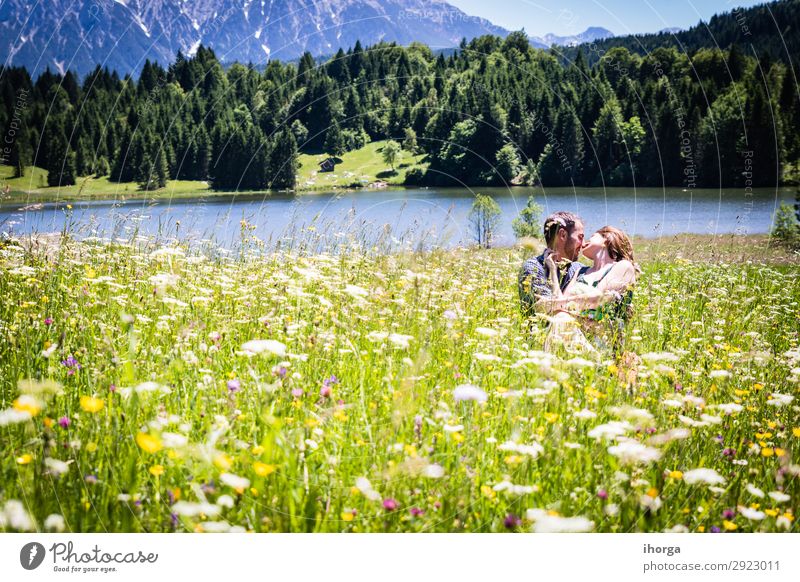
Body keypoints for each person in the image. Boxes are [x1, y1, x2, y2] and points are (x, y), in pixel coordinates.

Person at [537, 226, 639, 355]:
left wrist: (553, 304)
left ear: (606, 239)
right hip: (573, 332)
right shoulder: (581, 272)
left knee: (561, 318)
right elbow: (560, 303)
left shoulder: (623, 266)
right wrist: (552, 269)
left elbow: (598, 298)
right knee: (560, 316)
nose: (583, 242)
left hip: (603, 342)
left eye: (591, 236)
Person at [518, 211, 587, 317]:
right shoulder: (533, 268)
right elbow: (549, 310)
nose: (583, 244)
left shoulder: (579, 269)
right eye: (580, 237)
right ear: (563, 235)